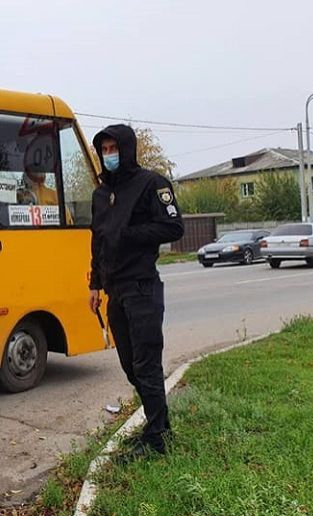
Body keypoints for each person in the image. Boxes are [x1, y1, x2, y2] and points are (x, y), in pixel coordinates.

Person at [88, 124, 184, 457]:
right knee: (130, 366)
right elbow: (97, 240)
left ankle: (159, 438)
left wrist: (128, 233)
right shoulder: (101, 194)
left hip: (142, 287)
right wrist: (94, 284)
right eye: (104, 149)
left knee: (147, 365)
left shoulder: (151, 184)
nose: (109, 154)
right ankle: (155, 426)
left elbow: (174, 226)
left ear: (127, 149)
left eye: (114, 148)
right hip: (115, 291)